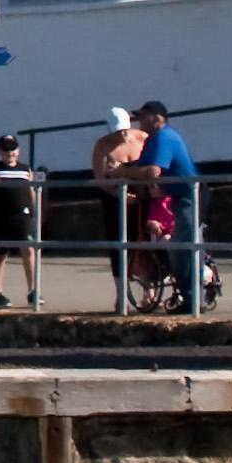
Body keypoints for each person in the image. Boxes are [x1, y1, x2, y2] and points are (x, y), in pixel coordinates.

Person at [133, 99, 211, 312]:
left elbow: (153, 171)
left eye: (143, 116)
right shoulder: (152, 140)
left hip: (191, 194)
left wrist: (122, 173)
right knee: (179, 247)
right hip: (178, 196)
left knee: (182, 248)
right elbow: (141, 167)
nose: (139, 121)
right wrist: (126, 170)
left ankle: (193, 299)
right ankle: (189, 297)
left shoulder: (165, 137)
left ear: (158, 118)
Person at [89, 105, 154, 310]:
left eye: (124, 131)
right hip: (114, 197)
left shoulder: (142, 138)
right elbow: (100, 179)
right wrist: (121, 196)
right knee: (118, 244)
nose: (122, 135)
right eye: (117, 132)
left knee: (144, 240)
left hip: (141, 194)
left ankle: (148, 291)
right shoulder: (103, 146)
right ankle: (120, 294)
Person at [0, 135, 42, 309]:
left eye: (13, 148)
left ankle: (33, 291)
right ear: (0, 151)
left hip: (22, 217)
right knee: (0, 255)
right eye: (6, 149)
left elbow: (31, 191)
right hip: (0, 218)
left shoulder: (25, 169)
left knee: (28, 250)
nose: (11, 153)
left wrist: (35, 213)